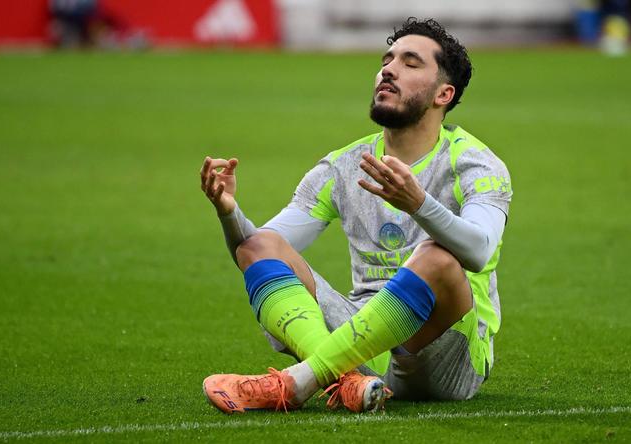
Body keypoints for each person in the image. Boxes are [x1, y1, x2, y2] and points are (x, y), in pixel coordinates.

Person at [199, 18, 512, 414]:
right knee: (260, 244)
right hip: (363, 346)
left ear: (443, 94)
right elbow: (256, 252)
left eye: (410, 63)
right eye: (387, 60)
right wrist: (229, 213)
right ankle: (345, 381)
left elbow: (480, 251)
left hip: (446, 356)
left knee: (437, 257)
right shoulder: (343, 165)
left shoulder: (475, 164)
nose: (389, 69)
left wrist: (419, 204)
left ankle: (303, 380)